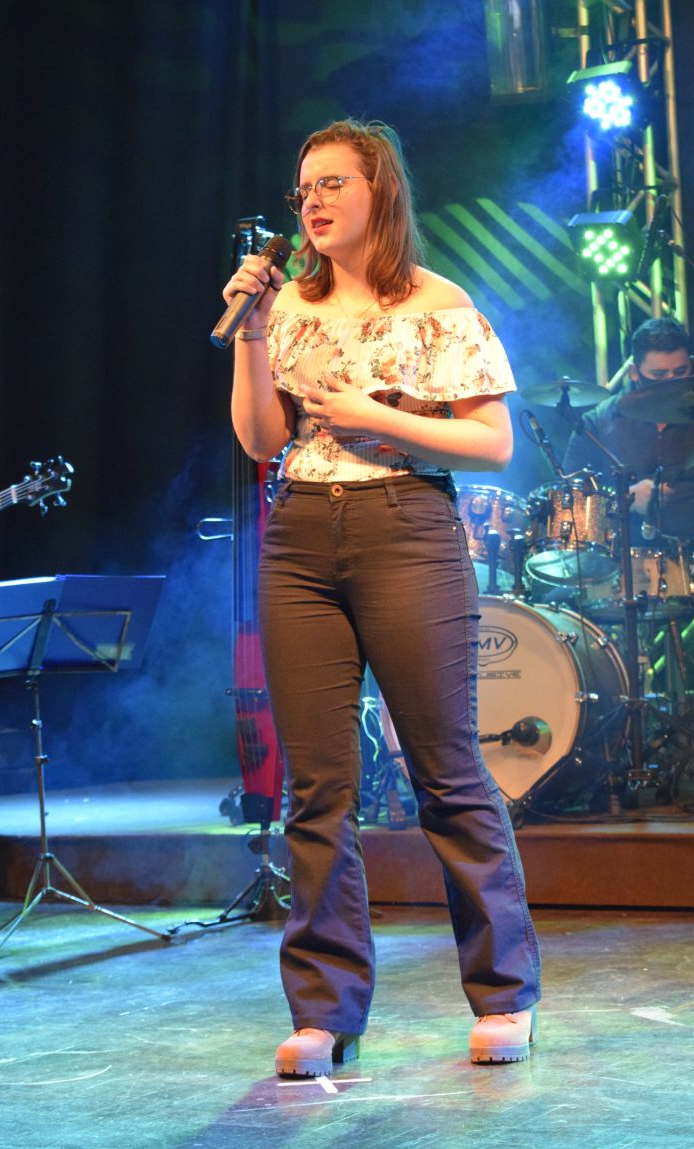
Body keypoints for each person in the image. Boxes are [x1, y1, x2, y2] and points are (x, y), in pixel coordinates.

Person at [222, 118, 541, 1076]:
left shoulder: (437, 304)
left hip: (406, 527)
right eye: (303, 188)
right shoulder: (289, 305)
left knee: (448, 771)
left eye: (332, 183)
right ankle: (324, 1012)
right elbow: (260, 439)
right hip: (299, 535)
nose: (312, 202)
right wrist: (249, 330)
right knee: (318, 788)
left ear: (380, 191)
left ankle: (506, 994)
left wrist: (375, 417)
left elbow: (494, 443)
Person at [562, 317, 694, 546]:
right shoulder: (597, 423)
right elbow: (569, 499)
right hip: (625, 554)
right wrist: (624, 497)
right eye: (659, 375)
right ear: (634, 372)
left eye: (680, 372)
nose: (671, 383)